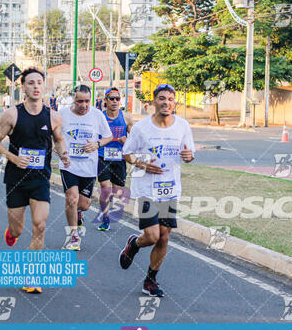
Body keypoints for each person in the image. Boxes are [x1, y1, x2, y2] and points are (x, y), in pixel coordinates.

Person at [0, 67, 70, 294]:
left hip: (40, 178)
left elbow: (59, 139)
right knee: (17, 230)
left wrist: (63, 153)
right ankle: (11, 232)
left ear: (44, 87)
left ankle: (32, 275)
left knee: (40, 225)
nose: (35, 87)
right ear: (23, 87)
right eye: (31, 83)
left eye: (39, 83)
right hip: (16, 178)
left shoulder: (53, 116)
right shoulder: (12, 114)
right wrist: (13, 157)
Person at [119, 83, 195, 298]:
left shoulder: (182, 126)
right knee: (152, 236)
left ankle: (150, 280)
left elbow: (188, 153)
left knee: (164, 238)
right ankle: (134, 244)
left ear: (175, 103)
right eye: (162, 98)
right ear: (153, 102)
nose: (166, 103)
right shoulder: (142, 128)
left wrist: (190, 157)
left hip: (169, 189)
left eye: (170, 99)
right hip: (146, 188)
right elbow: (127, 154)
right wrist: (144, 164)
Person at [59, 85, 112, 251]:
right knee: (72, 199)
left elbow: (108, 136)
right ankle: (73, 236)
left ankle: (79, 213)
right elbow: (53, 138)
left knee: (84, 204)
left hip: (89, 166)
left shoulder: (96, 115)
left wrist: (97, 144)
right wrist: (61, 154)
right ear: (72, 100)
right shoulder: (62, 114)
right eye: (79, 101)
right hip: (69, 165)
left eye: (87, 101)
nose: (83, 105)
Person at [97, 87, 133, 231]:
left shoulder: (126, 117)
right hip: (102, 156)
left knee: (117, 190)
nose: (115, 101)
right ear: (106, 100)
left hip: (119, 157)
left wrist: (127, 142)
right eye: (111, 98)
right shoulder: (100, 117)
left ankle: (108, 201)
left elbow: (136, 139)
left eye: (117, 98)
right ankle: (105, 218)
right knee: (105, 188)